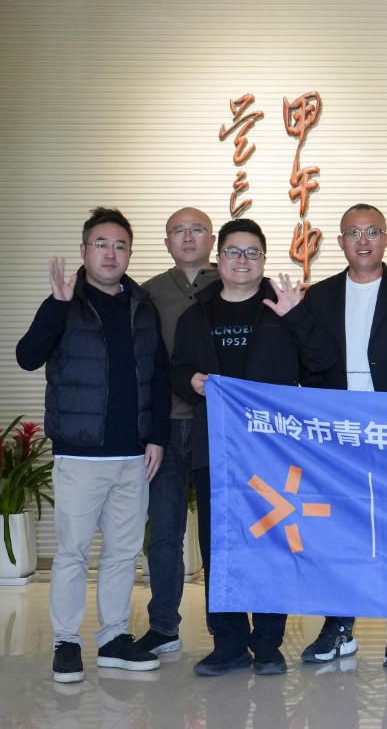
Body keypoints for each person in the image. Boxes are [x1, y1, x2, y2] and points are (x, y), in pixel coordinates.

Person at [168, 217, 338, 676]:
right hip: (216, 450)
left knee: (272, 544)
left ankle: (267, 644)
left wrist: (296, 317)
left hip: (273, 452)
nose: (242, 260)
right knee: (219, 547)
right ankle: (227, 643)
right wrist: (190, 380)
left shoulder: (282, 308)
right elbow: (176, 369)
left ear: (264, 260)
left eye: (252, 253)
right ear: (217, 257)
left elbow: (323, 363)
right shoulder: (196, 315)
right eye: (233, 251)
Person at [16, 207, 169, 684]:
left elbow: (159, 376)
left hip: (133, 456)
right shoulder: (65, 301)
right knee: (72, 552)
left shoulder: (142, 306)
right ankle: (66, 642)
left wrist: (157, 437)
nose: (111, 253)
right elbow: (27, 357)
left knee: (124, 553)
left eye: (120, 245)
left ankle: (113, 638)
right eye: (101, 244)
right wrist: (56, 306)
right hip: (80, 455)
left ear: (129, 254)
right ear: (84, 250)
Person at [298, 204, 387, 667]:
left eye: (372, 231)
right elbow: (310, 364)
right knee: (341, 527)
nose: (363, 240)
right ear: (340, 242)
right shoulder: (319, 296)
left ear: (386, 239)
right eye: (353, 232)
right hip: (339, 429)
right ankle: (339, 626)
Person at [135, 206, 217, 657]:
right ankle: (164, 626)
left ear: (212, 239)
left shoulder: (232, 283)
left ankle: (225, 630)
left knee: (218, 535)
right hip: (164, 429)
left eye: (197, 229)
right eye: (178, 231)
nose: (188, 237)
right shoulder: (148, 293)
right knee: (165, 533)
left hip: (217, 428)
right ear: (166, 242)